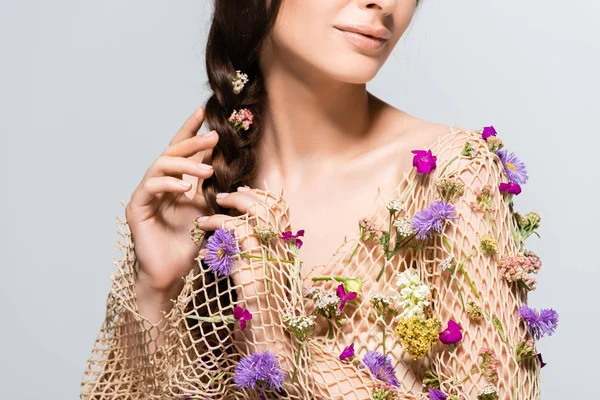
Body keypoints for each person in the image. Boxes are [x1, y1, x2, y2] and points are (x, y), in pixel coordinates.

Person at [81, 1, 555, 399]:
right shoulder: (202, 189)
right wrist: (155, 289)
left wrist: (286, 346)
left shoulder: (449, 176)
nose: (382, 3)